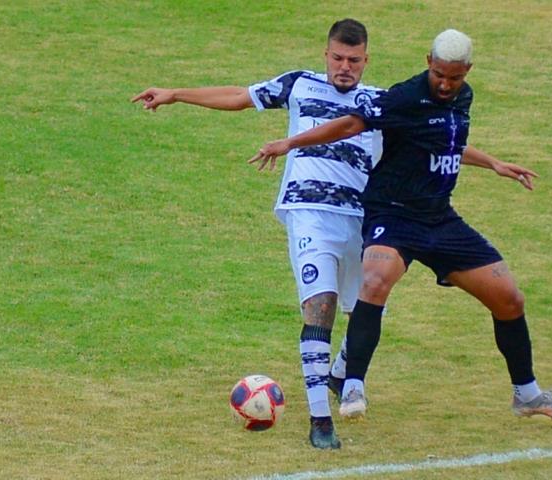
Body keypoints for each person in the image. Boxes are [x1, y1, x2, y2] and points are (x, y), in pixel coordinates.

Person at [250, 29, 552, 423]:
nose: (445, 84)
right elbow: (349, 125)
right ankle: (352, 384)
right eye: (440, 74)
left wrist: (494, 163)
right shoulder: (404, 97)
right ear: (429, 61)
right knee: (375, 281)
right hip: (392, 214)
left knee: (509, 298)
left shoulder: (464, 97)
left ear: (467, 72)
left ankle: (527, 395)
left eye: (454, 77)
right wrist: (290, 143)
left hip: (439, 219)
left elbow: (447, 142)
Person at [131, 19, 383, 449]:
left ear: (366, 60)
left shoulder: (381, 102)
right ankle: (320, 421)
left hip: (363, 220)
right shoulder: (299, 84)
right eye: (337, 58)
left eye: (353, 60)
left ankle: (342, 373)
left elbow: (429, 141)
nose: (344, 67)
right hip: (310, 216)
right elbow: (239, 96)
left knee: (364, 310)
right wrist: (176, 94)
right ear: (325, 55)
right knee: (319, 308)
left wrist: (489, 162)